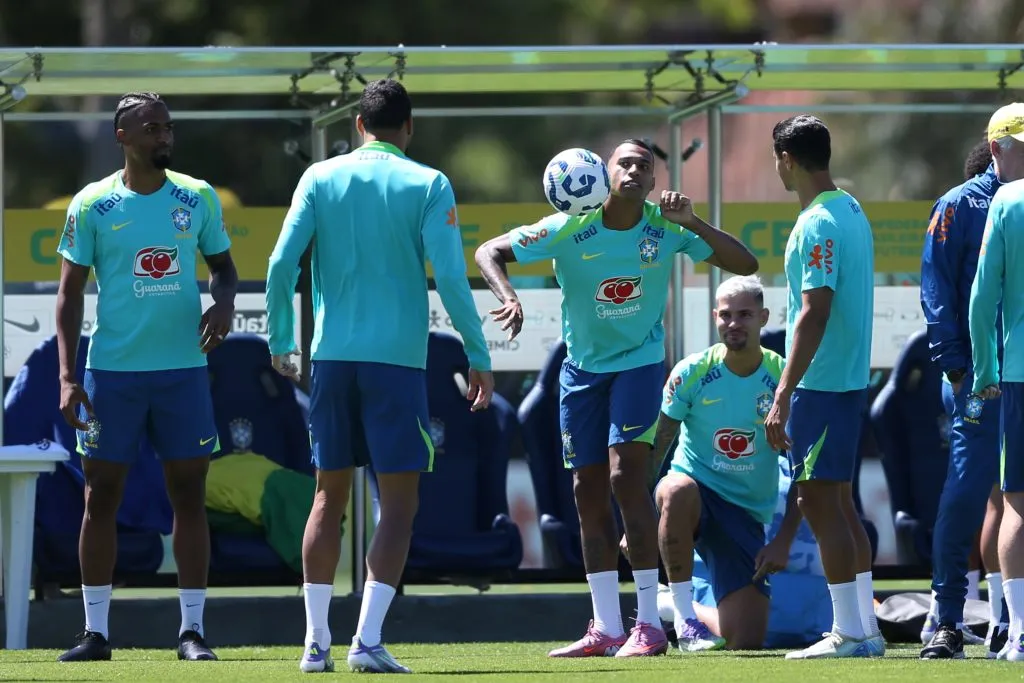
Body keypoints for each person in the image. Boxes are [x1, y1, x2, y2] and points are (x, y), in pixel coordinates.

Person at [476, 138, 758, 658]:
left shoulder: (667, 226)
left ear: (653, 182)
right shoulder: (568, 225)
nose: (633, 170)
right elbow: (487, 250)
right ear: (603, 175)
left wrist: (694, 222)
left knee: (627, 477)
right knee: (586, 492)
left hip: (640, 364)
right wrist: (510, 296)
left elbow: (745, 261)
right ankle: (606, 625)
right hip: (581, 373)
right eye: (623, 163)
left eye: (643, 166)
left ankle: (651, 623)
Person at [265, 78, 493, 675]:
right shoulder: (429, 182)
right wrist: (478, 354)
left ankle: (316, 645)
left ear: (359, 127)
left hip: (332, 360)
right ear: (408, 128)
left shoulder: (320, 177)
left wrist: (282, 343)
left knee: (326, 496)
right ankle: (365, 642)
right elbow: (449, 276)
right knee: (399, 505)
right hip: (396, 365)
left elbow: (280, 263)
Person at [54, 92, 237, 662]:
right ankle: (96, 634)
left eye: (168, 128)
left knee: (188, 494)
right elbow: (68, 295)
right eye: (152, 129)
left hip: (183, 373)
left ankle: (191, 632)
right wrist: (66, 376)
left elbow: (225, 269)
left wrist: (225, 303)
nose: (164, 137)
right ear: (122, 137)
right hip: (112, 374)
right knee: (100, 496)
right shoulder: (92, 205)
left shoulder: (196, 196)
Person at [620, 274, 802, 652]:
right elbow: (656, 449)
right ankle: (686, 621)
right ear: (715, 317)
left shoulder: (782, 379)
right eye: (725, 315)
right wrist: (635, 522)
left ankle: (673, 605)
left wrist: (783, 540)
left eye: (745, 315)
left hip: (747, 513)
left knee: (745, 641)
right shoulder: (692, 372)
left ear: (764, 317)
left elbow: (805, 465)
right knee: (676, 488)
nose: (733, 324)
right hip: (695, 495)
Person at [762, 115, 882, 659]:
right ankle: (865, 629)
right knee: (839, 502)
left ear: (786, 159)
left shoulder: (817, 222)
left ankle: (849, 632)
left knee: (817, 501)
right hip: (847, 380)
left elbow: (814, 309)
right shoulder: (850, 209)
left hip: (824, 383)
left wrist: (785, 390)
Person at [919, 122, 1014, 659]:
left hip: (1019, 373)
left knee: (1011, 500)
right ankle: (949, 619)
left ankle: (1006, 621)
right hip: (978, 378)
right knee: (966, 495)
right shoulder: (958, 205)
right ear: (998, 148)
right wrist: (958, 368)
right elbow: (936, 289)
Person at [969, 102, 1024, 662]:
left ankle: (1021, 634)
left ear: (998, 148)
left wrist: (983, 371)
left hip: (1020, 373)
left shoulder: (1007, 199)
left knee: (1017, 502)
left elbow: (983, 298)